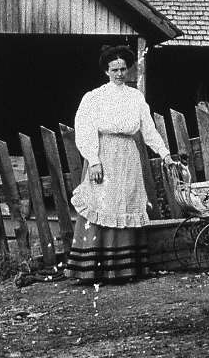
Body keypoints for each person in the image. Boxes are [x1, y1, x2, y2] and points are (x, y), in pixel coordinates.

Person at [66, 44, 172, 282]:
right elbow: (85, 129)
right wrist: (93, 160)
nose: (120, 74)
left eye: (123, 69)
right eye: (114, 69)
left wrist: (164, 153)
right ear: (106, 71)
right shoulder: (95, 97)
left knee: (126, 202)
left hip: (128, 155)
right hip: (104, 154)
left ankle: (125, 268)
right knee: (103, 203)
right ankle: (96, 268)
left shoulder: (136, 97)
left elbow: (148, 129)